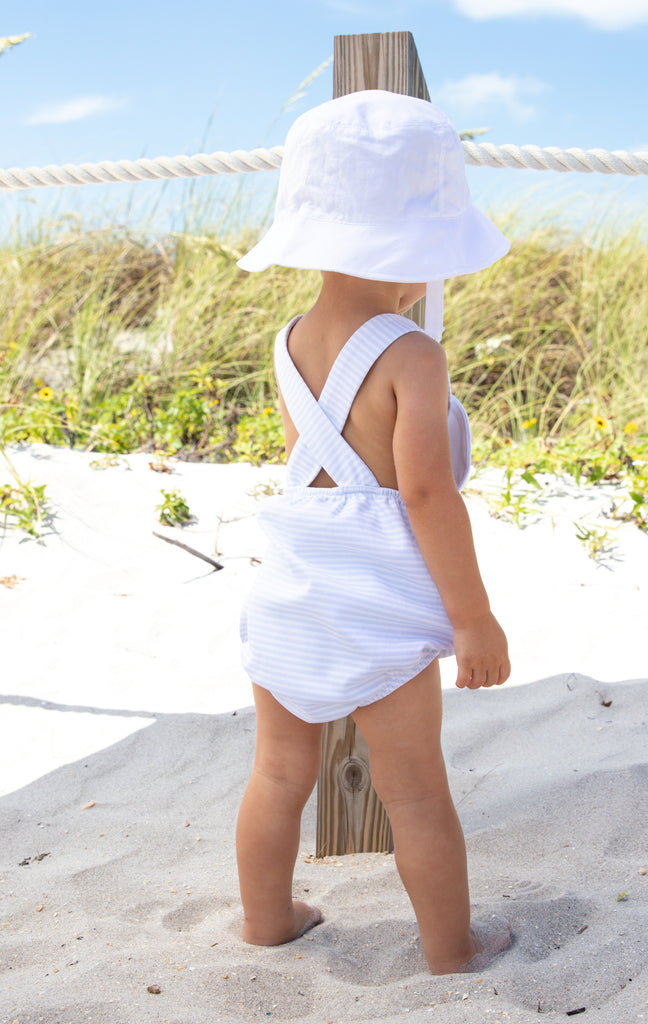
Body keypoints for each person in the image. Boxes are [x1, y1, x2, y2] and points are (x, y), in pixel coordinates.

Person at [233, 89, 512, 975]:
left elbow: (321, 475)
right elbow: (424, 494)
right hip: (376, 609)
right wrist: (472, 619)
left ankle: (268, 921)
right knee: (417, 793)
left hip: (291, 595)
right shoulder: (411, 354)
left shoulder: (286, 342)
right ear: (421, 246)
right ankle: (450, 951)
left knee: (279, 775)